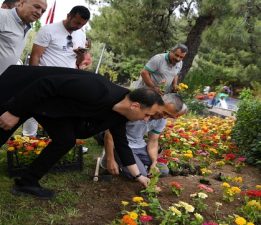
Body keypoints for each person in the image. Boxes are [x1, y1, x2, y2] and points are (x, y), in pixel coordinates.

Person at [0, 65, 169, 199]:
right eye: (147, 115)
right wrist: (14, 111)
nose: (147, 120)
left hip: (50, 107)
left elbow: (121, 143)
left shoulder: (120, 114)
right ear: (135, 106)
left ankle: (27, 183)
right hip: (21, 91)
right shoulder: (98, 90)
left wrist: (139, 176)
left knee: (65, 140)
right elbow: (45, 84)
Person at [22, 5, 90, 137]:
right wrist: (31, 77)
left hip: (66, 82)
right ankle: (27, 139)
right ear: (69, 15)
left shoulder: (81, 34)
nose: (78, 27)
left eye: (81, 25)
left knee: (59, 111)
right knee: (33, 108)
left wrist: (81, 54)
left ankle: (52, 138)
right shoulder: (49, 29)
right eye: (76, 22)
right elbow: (36, 55)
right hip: (45, 79)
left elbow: (78, 62)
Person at [102, 93, 188, 180]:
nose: (164, 117)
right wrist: (110, 159)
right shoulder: (138, 108)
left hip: (139, 146)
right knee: (139, 174)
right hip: (122, 145)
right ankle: (112, 159)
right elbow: (110, 134)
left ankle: (136, 166)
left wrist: (154, 162)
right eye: (165, 112)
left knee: (163, 170)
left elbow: (153, 141)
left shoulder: (161, 119)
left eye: (169, 115)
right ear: (159, 103)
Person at [0, 0, 47, 75]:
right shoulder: (2, 15)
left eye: (43, 11)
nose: (39, 12)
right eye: (37, 7)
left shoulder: (26, 26)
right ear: (21, 3)